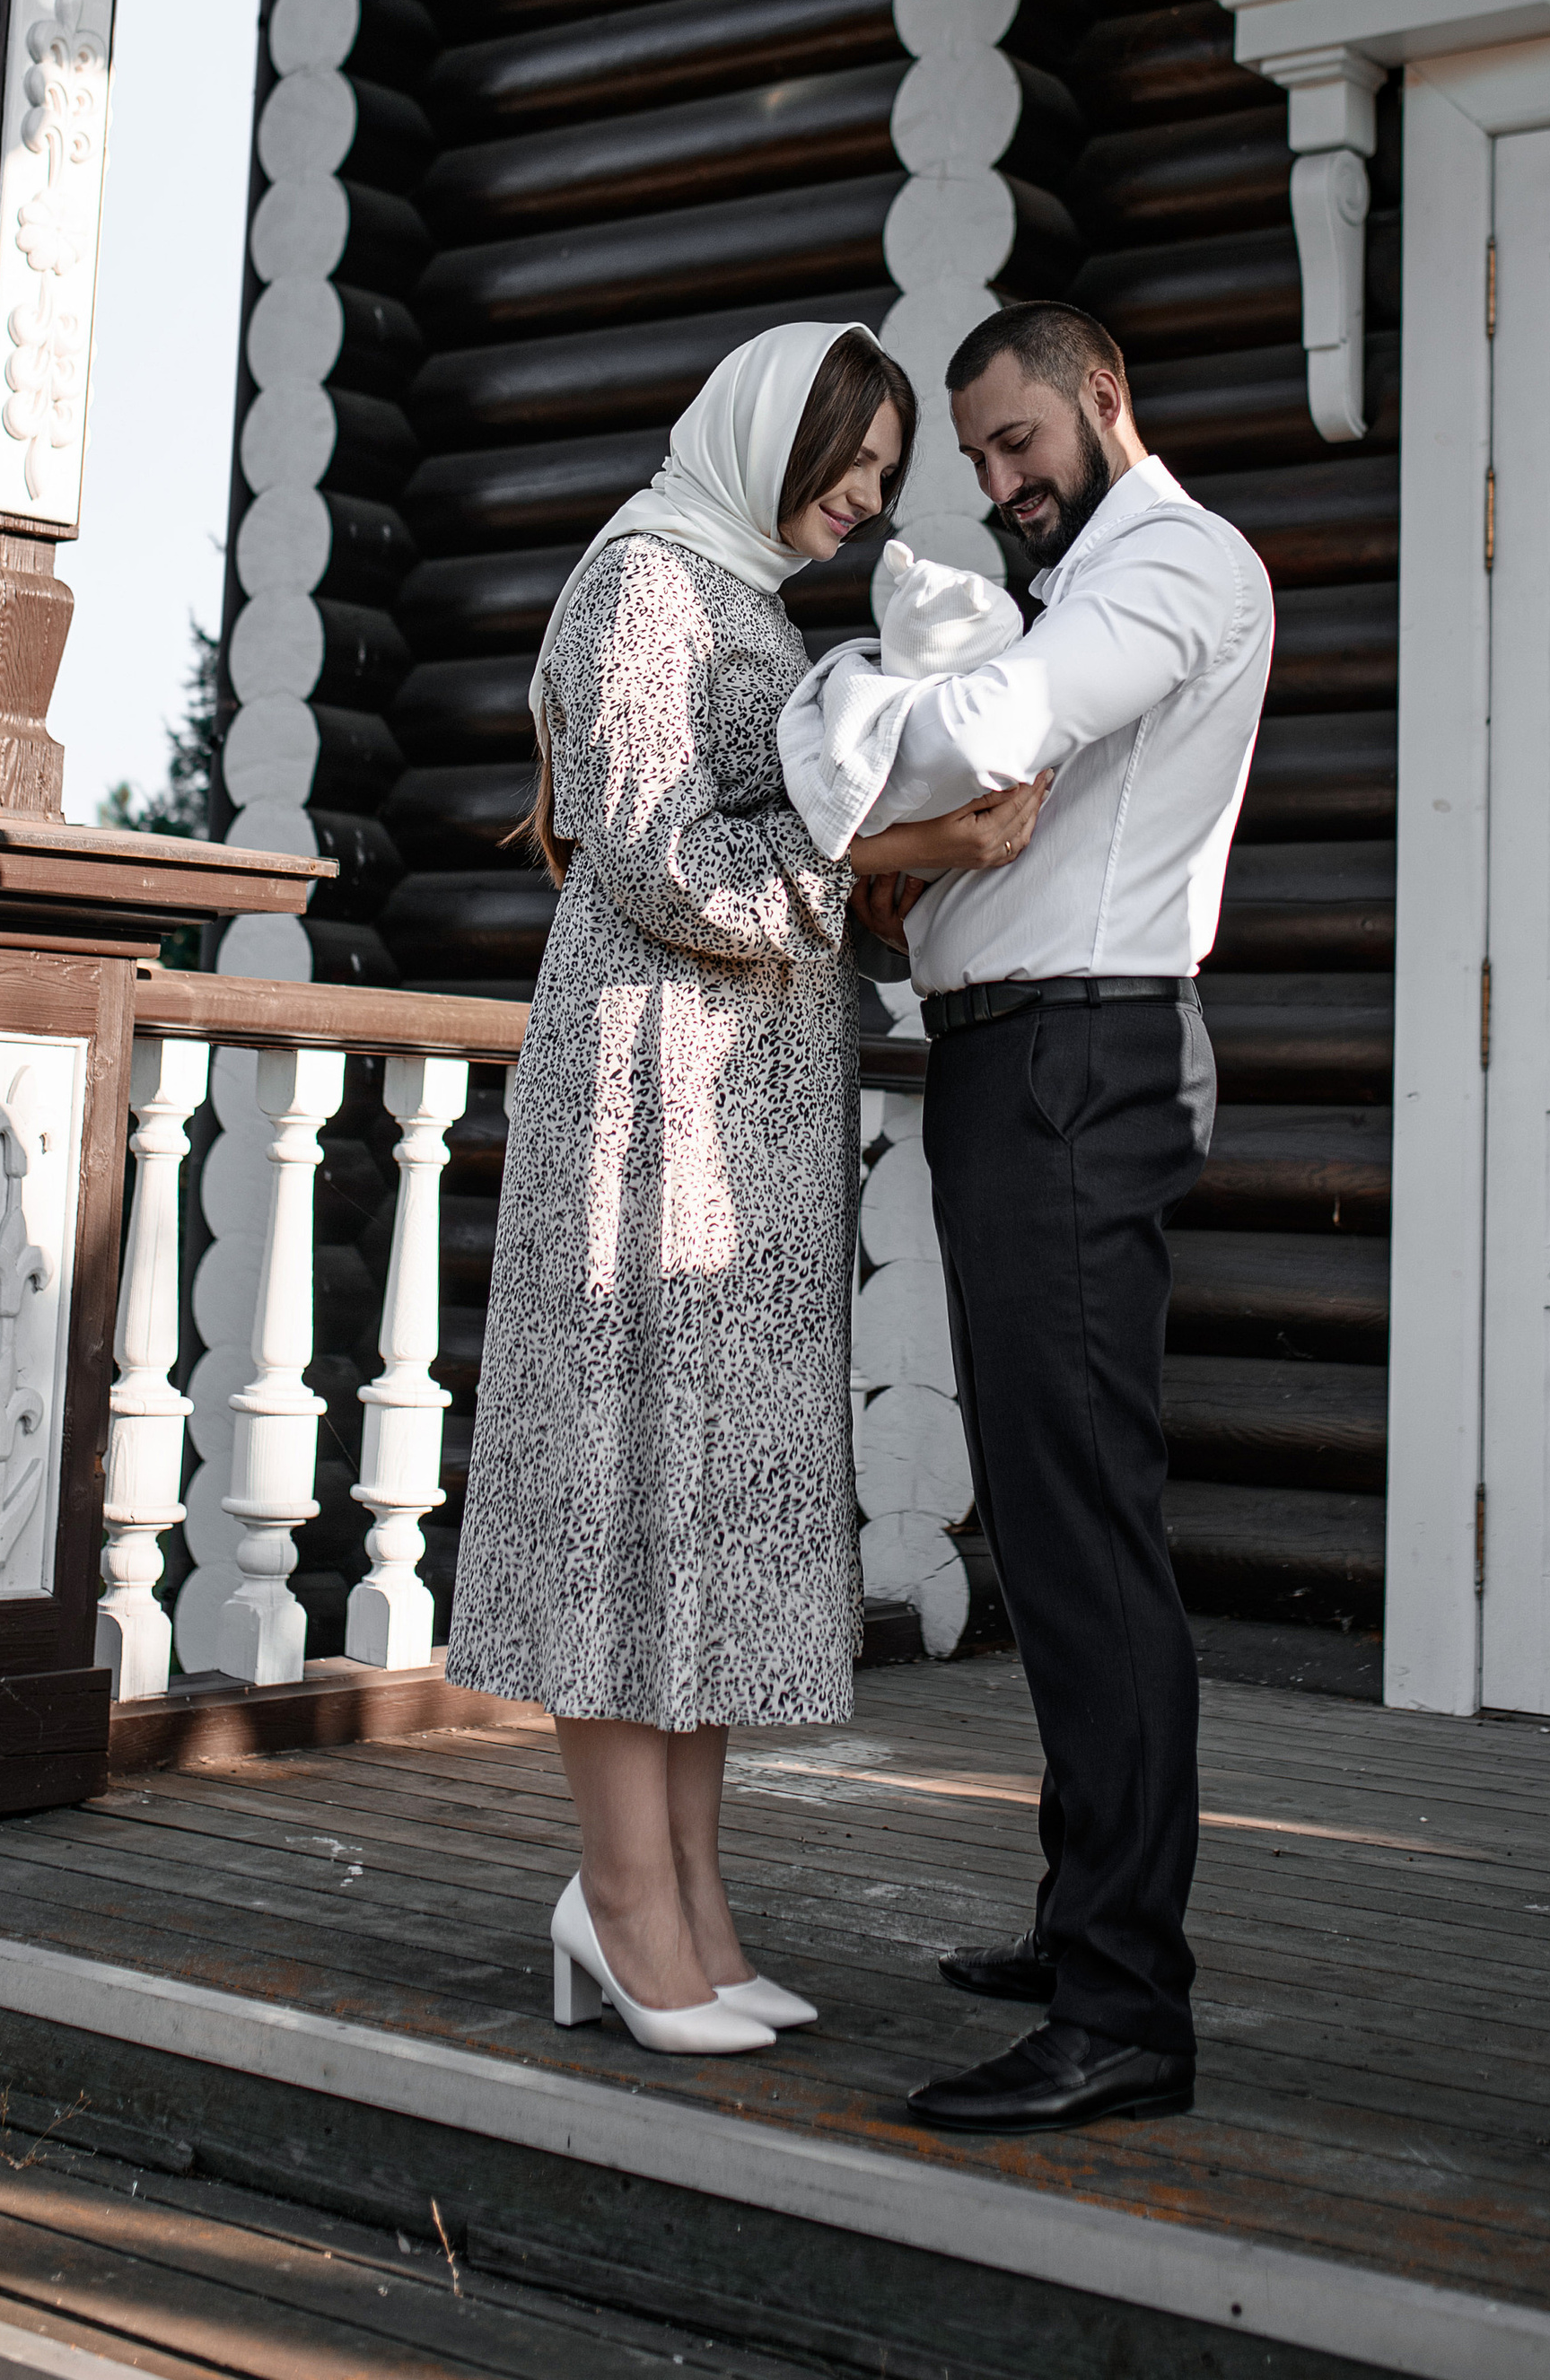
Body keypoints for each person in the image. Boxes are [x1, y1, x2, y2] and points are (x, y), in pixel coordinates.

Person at [444, 319, 1046, 2058]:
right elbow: (655, 856)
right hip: (642, 1104)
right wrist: (889, 842)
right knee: (637, 1493)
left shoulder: (747, 601)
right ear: (763, 437)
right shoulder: (645, 582)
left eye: (876, 483)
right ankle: (623, 1900)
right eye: (844, 472)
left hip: (741, 1103)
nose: (861, 506)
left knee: (702, 1508)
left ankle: (691, 1900)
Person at [852, 302, 1273, 2135]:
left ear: (1103, 399)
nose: (996, 486)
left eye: (1017, 443)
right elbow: (995, 834)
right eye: (975, 462)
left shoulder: (1171, 567)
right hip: (1018, 1064)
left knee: (1084, 1525)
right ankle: (1075, 1918)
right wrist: (910, 900)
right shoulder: (1086, 577)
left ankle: (1123, 2012)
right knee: (1043, 1509)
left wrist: (834, 777)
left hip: (1076, 1074)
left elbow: (997, 733)